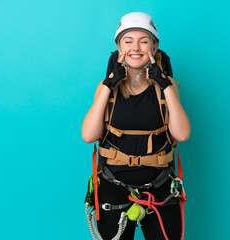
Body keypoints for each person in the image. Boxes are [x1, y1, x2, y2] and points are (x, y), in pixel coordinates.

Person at [82, 12, 190, 240]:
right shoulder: (105, 86)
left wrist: (165, 85)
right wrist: (108, 86)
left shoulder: (167, 86)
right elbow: (89, 135)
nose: (136, 48)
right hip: (114, 184)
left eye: (144, 41)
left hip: (159, 186)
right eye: (128, 41)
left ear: (154, 45)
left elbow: (182, 133)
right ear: (119, 47)